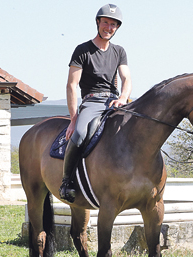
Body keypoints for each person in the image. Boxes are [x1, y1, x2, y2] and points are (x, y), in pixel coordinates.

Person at [60, 4, 132, 203]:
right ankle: (67, 181)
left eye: (113, 24)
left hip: (114, 100)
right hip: (92, 101)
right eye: (106, 22)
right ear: (98, 22)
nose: (109, 27)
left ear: (117, 28)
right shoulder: (82, 50)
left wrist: (123, 98)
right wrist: (74, 119)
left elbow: (126, 79)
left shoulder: (119, 51)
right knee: (81, 133)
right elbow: (71, 85)